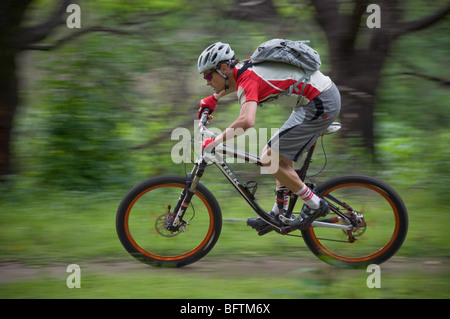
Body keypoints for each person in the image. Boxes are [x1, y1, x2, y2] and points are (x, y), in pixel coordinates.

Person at [196, 41, 341, 230]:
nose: (206, 81)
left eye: (208, 75)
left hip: (320, 103)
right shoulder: (242, 70)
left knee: (269, 159)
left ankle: (314, 204)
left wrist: (214, 141)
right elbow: (233, 84)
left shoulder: (247, 81)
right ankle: (278, 213)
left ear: (223, 68)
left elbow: (247, 121)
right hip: (313, 100)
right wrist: (214, 98)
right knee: (276, 155)